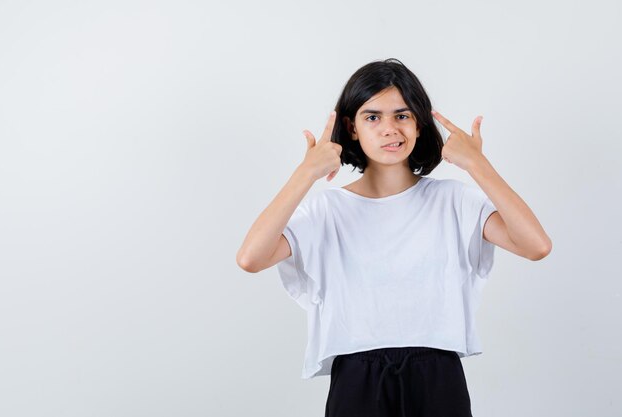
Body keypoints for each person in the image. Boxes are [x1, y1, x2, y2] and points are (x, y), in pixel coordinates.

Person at [236, 58, 552, 417]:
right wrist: (305, 173)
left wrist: (477, 165)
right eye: (373, 117)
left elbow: (536, 245)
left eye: (402, 115)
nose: (389, 129)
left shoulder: (452, 200)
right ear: (351, 128)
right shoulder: (327, 210)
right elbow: (251, 258)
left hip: (437, 375)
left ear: (419, 123)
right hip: (357, 378)